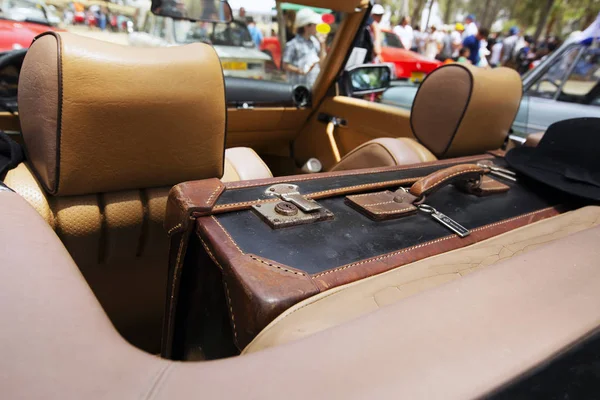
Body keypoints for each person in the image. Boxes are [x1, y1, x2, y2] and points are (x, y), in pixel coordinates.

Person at [282, 8, 326, 87]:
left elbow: (322, 62)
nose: (317, 27)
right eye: (315, 24)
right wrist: (299, 70)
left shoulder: (315, 42)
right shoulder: (293, 44)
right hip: (298, 86)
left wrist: (322, 44)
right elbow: (285, 65)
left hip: (313, 85)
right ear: (307, 26)